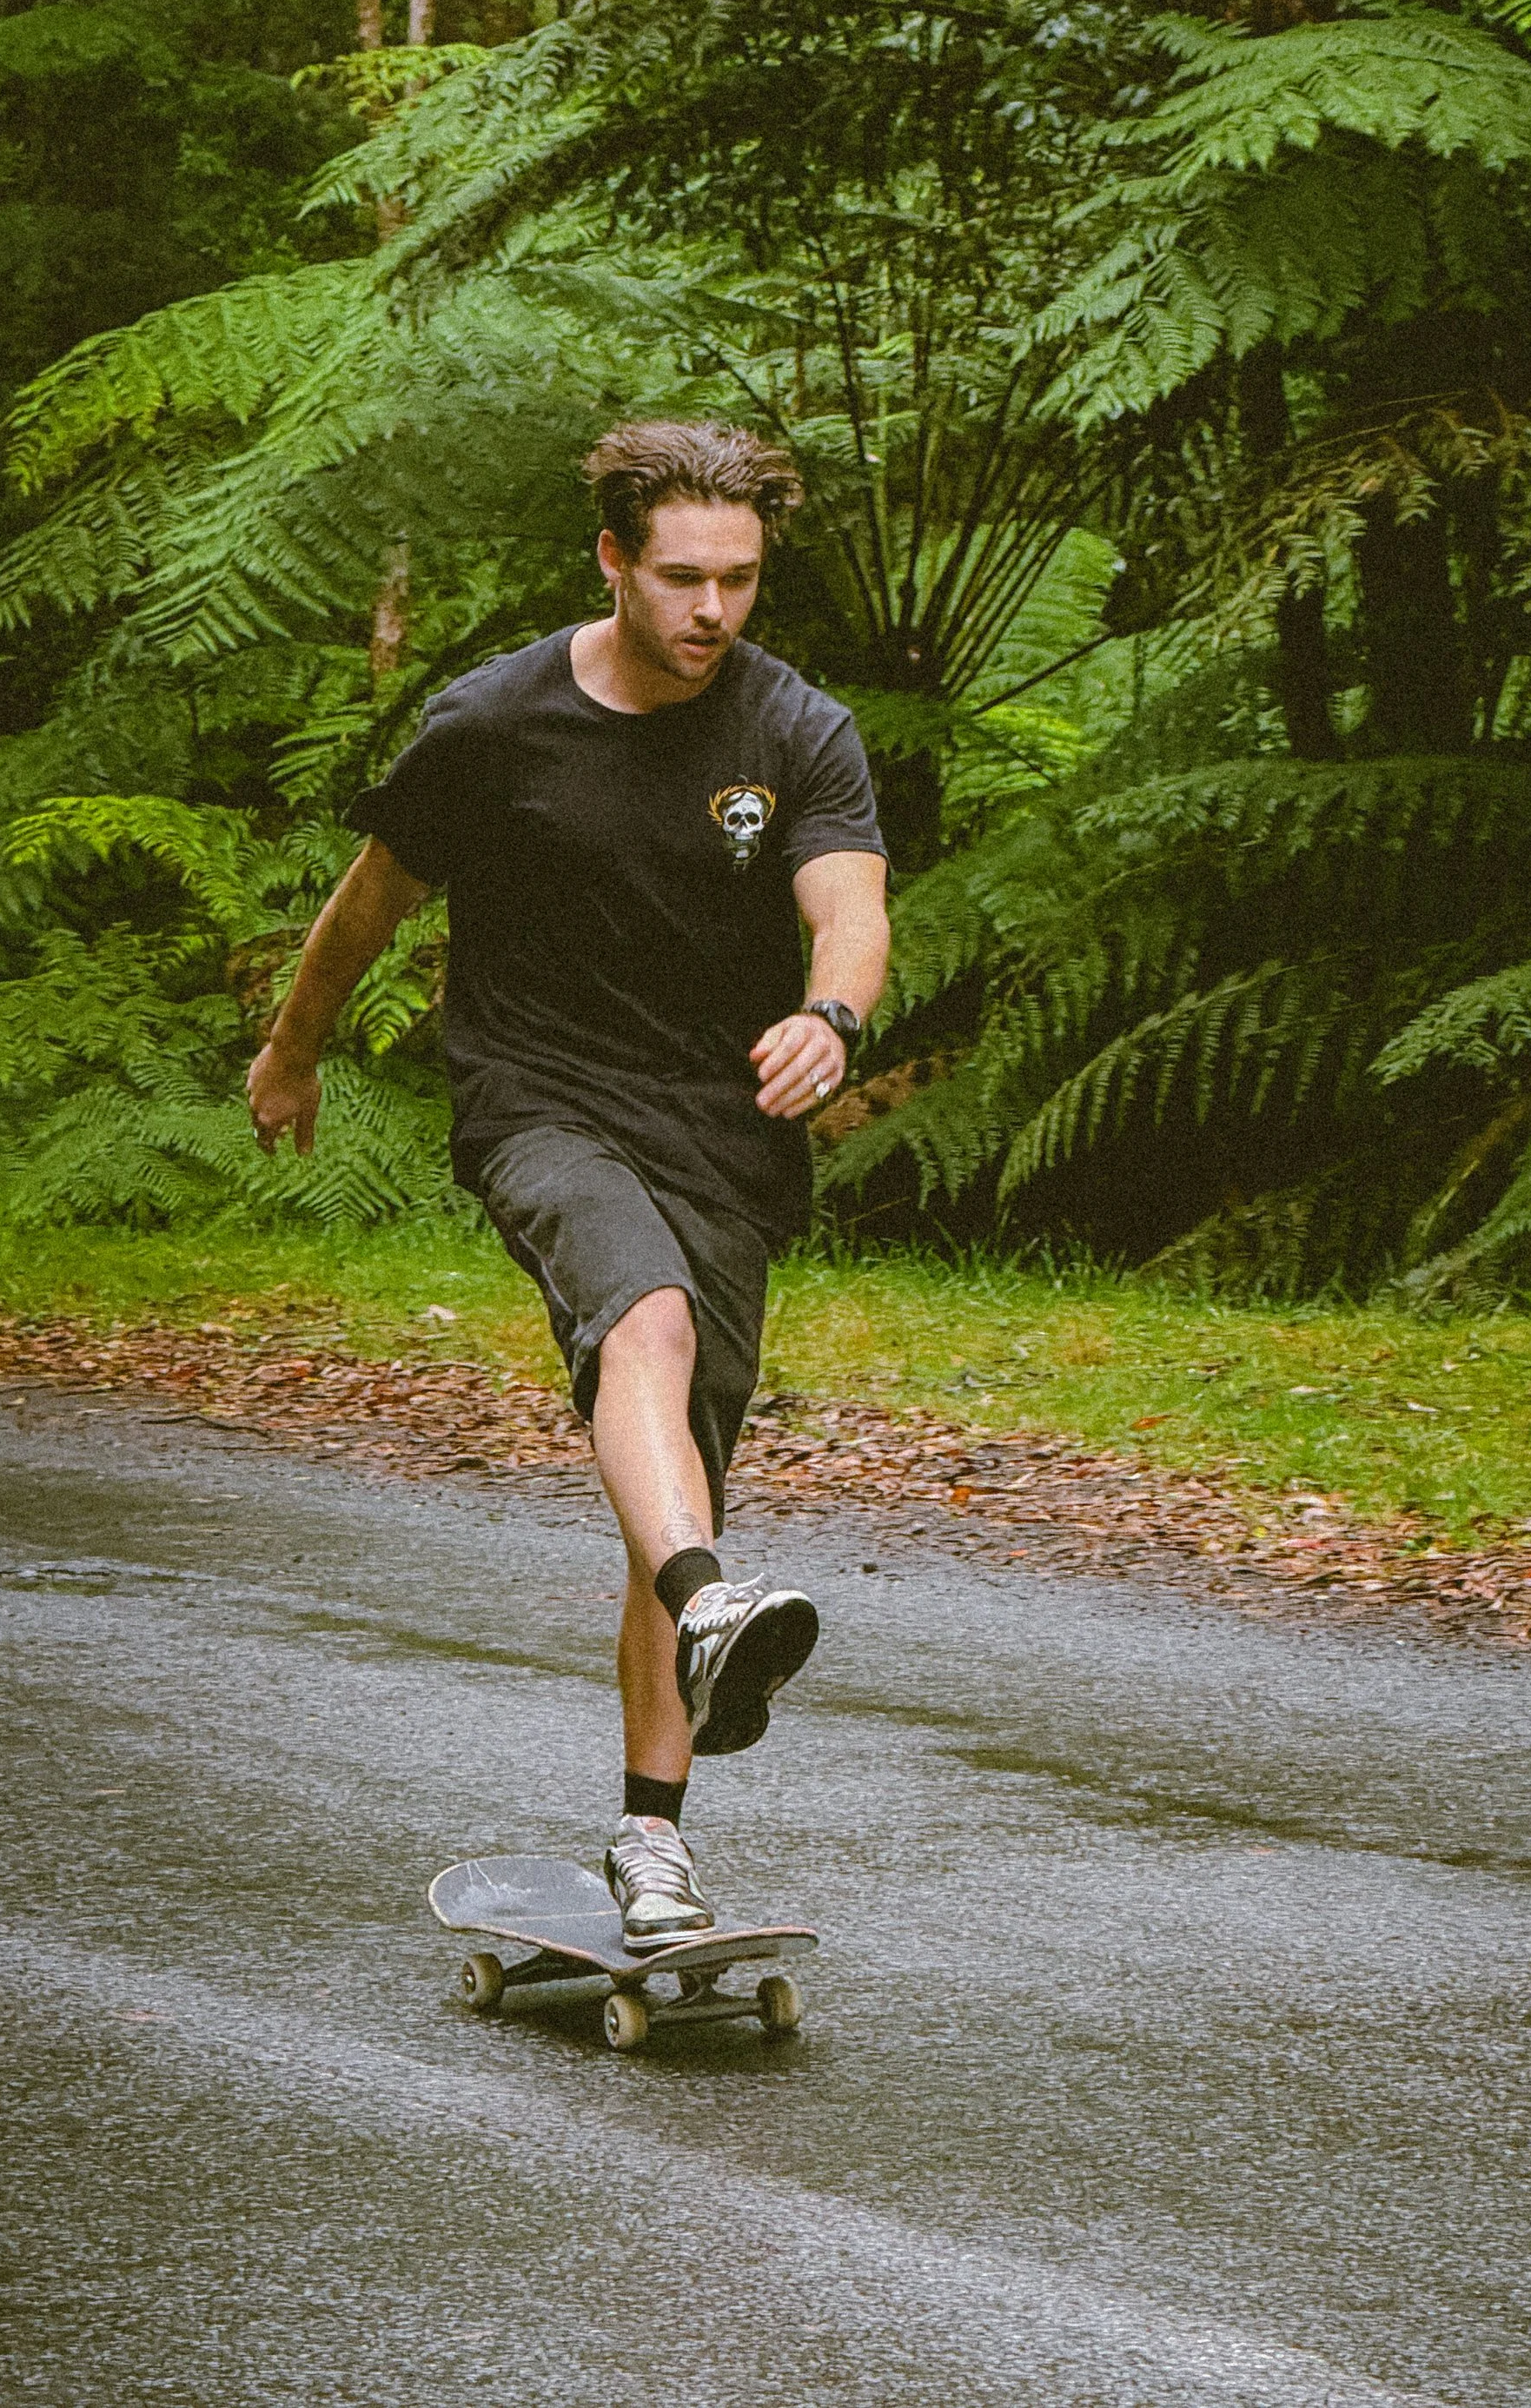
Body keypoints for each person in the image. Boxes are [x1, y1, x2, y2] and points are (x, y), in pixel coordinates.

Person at [245, 421, 891, 1949]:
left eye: (740, 580)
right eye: (682, 577)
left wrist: (831, 1016)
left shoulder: (798, 729)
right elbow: (365, 911)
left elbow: (851, 906)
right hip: (540, 1102)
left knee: (675, 1484)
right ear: (612, 560)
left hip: (722, 1137)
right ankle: (713, 1602)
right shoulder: (494, 723)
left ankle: (652, 1844)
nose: (713, 611)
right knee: (641, 1323)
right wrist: (292, 1053)